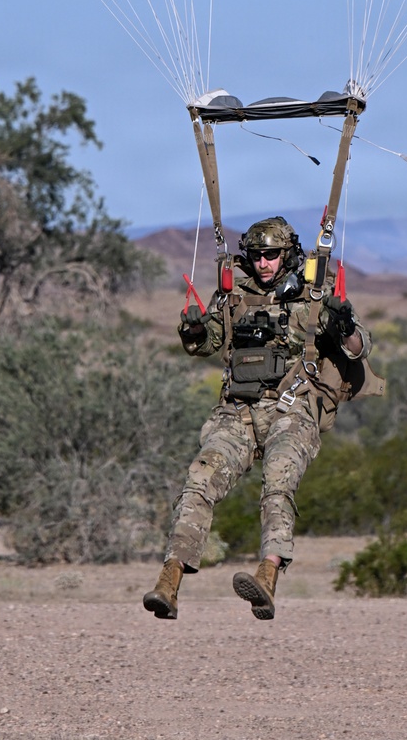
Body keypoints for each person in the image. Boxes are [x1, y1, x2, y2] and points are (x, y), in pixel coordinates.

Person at [143, 216, 372, 622]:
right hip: (238, 411)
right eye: (256, 255)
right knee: (199, 480)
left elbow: (359, 348)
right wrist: (193, 329)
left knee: (279, 481)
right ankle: (169, 580)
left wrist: (345, 325)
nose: (263, 262)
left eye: (271, 254)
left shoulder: (313, 295)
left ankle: (267, 575)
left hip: (292, 408)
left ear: (287, 254)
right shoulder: (233, 297)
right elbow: (205, 343)